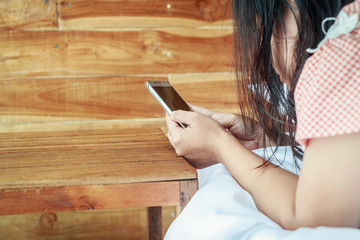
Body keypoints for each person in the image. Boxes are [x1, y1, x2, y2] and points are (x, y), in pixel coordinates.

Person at [165, 0, 360, 230]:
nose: (266, 48)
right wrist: (267, 141)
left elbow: (314, 222)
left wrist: (220, 144)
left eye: (265, 27)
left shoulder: (343, 54)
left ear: (292, 7)